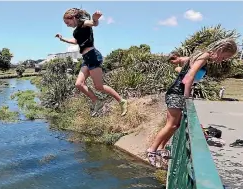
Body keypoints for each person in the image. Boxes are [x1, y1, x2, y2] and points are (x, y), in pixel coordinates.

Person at [146, 38, 238, 167]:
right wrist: (187, 98)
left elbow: (186, 61)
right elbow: (188, 79)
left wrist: (178, 60)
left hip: (176, 92)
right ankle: (152, 151)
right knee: (171, 125)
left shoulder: (201, 55)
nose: (222, 60)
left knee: (175, 125)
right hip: (177, 93)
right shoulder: (204, 56)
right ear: (221, 49)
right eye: (224, 57)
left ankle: (161, 149)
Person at [55, 8, 128, 117]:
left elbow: (94, 23)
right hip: (86, 59)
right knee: (79, 84)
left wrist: (95, 18)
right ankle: (97, 101)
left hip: (93, 56)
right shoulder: (77, 30)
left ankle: (121, 101)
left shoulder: (84, 23)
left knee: (99, 86)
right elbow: (76, 41)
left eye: (67, 22)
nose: (67, 25)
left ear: (74, 18)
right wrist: (62, 39)